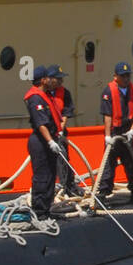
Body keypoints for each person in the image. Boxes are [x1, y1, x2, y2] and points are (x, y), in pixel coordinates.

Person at [97, 61, 133, 203]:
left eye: (127, 76)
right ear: (115, 77)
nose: (126, 79)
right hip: (114, 132)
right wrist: (107, 136)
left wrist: (132, 130)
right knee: (109, 165)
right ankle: (103, 194)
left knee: (131, 163)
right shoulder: (108, 92)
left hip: (127, 132)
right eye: (123, 76)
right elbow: (107, 115)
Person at [24, 65, 63, 218]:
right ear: (42, 80)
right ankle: (39, 211)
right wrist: (50, 142)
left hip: (49, 140)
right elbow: (41, 123)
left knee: (51, 175)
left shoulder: (46, 96)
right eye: (48, 77)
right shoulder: (35, 98)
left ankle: (46, 208)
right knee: (42, 176)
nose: (51, 80)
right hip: (40, 142)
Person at [50, 65, 84, 198]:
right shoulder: (44, 94)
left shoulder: (65, 93)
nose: (60, 82)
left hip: (60, 133)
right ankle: (51, 188)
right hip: (48, 134)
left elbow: (66, 112)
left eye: (61, 79)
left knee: (64, 158)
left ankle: (68, 186)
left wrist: (60, 130)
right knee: (49, 163)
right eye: (58, 79)